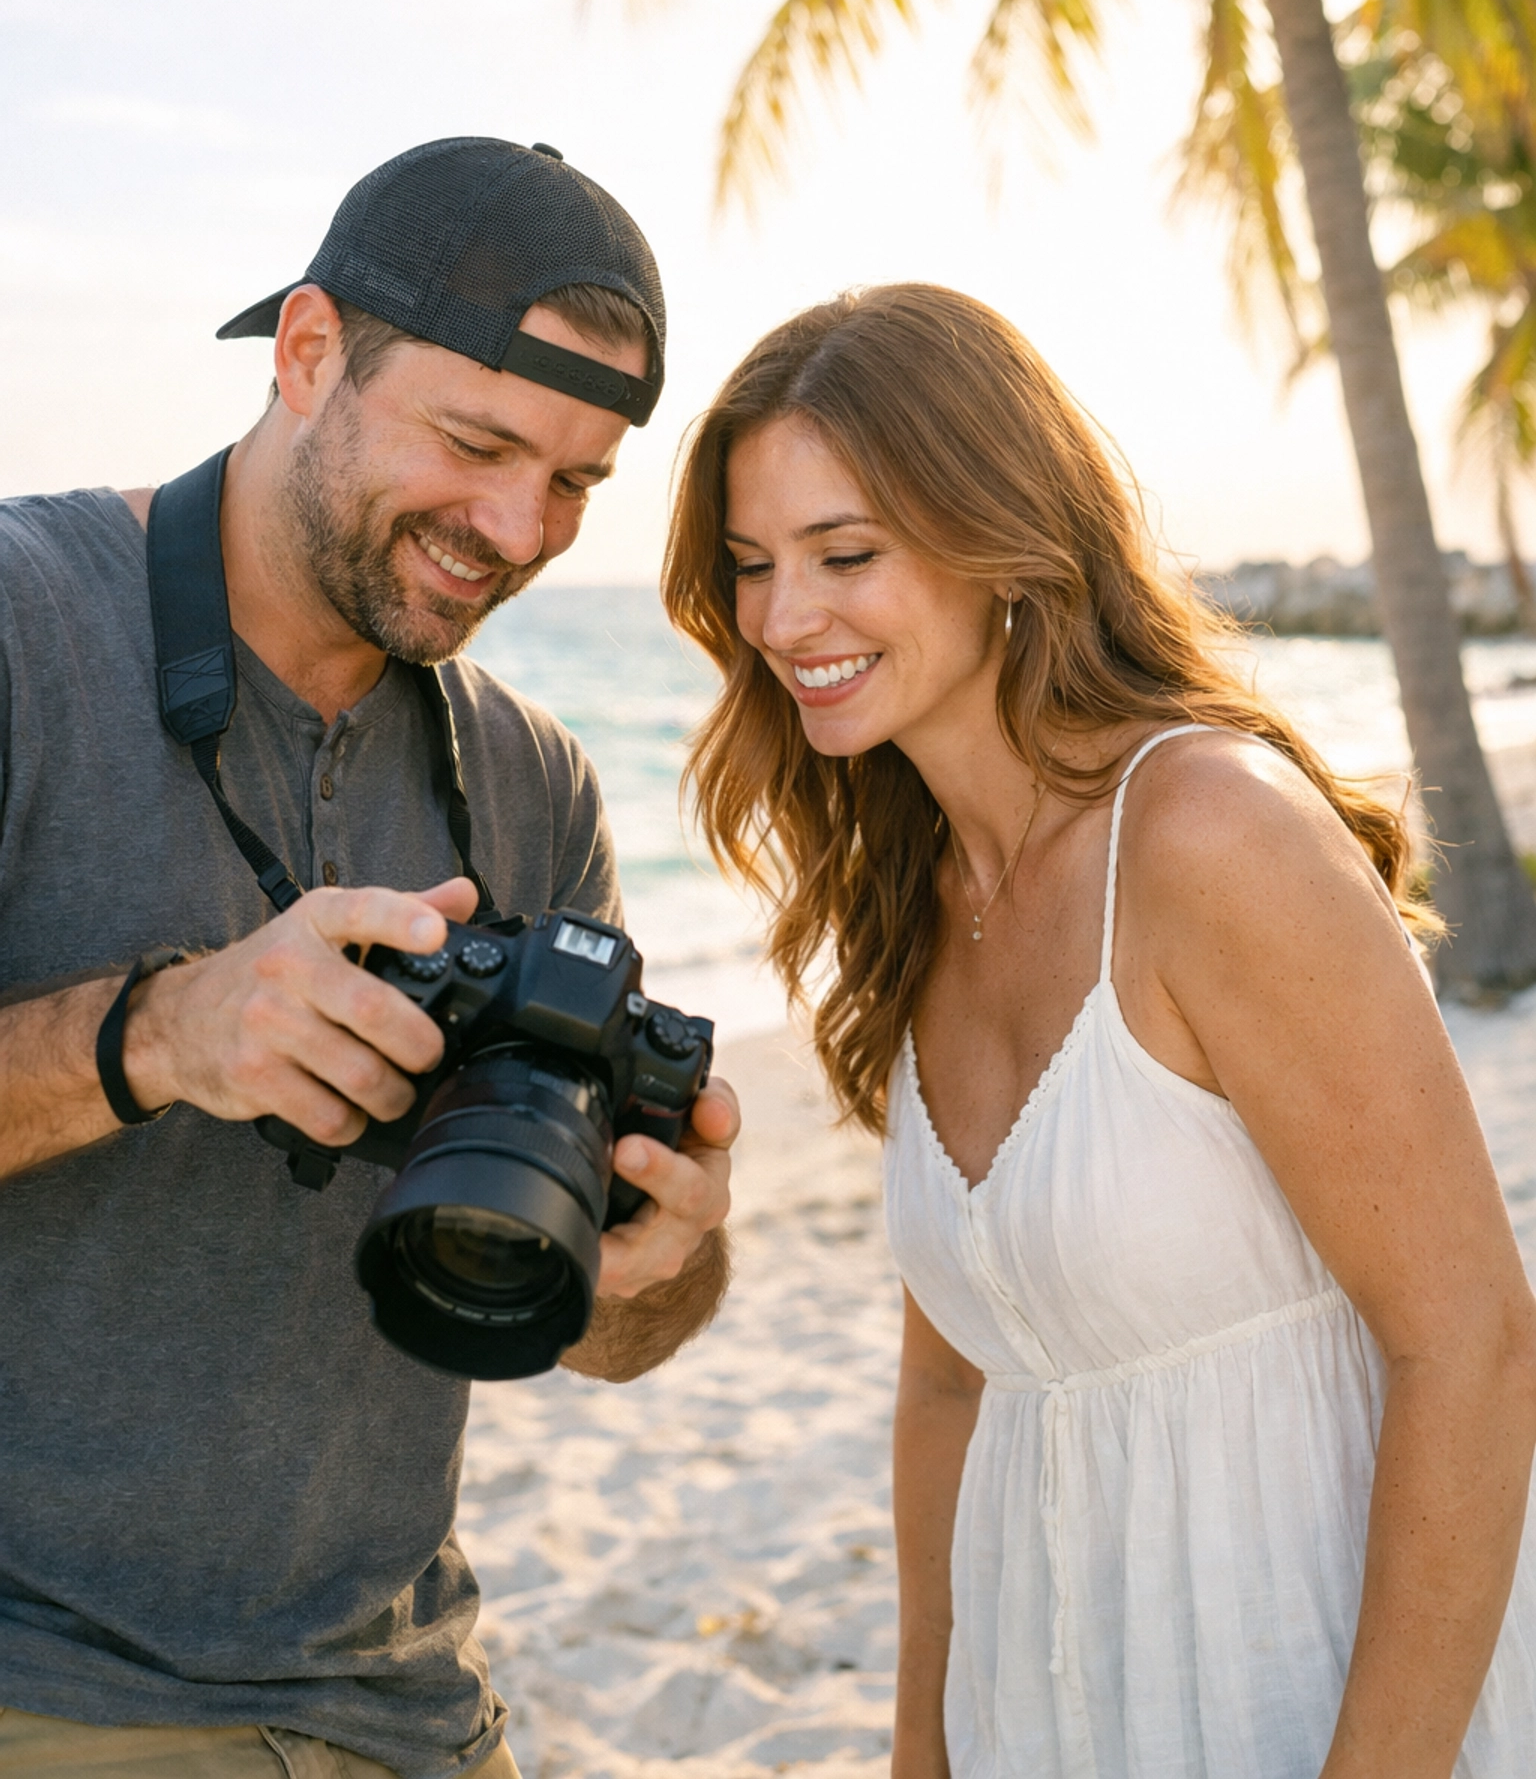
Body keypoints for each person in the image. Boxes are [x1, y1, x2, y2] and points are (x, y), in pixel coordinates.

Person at [660, 279, 1536, 1779]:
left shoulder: (1205, 835)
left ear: (1002, 539)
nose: (783, 619)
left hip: (1308, 1683)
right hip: (1050, 1709)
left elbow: (1474, 1343)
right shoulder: (919, 899)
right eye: (750, 565)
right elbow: (949, 1386)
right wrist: (921, 1752)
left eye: (845, 552)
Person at [0, 137, 737, 1779]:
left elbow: (608, 1334)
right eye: (477, 442)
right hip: (46, 1689)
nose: (517, 527)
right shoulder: (22, 623)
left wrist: (664, 1255)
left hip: (409, 1700)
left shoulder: (536, 779)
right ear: (310, 351)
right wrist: (158, 1037)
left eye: (574, 482)